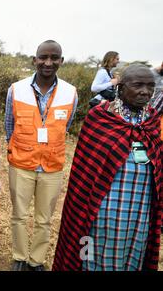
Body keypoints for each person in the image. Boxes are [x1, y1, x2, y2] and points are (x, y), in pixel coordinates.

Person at [53, 64, 163, 271]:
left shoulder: (153, 121)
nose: (145, 91)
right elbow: (84, 174)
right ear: (120, 88)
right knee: (92, 258)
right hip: (100, 212)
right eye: (138, 85)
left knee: (132, 259)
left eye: (150, 86)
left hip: (140, 212)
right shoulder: (100, 118)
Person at [5, 40, 78, 271]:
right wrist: (21, 148)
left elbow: (67, 124)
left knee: (44, 219)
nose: (48, 62)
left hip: (52, 166)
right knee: (19, 215)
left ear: (61, 61)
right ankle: (19, 256)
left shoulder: (70, 92)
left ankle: (36, 260)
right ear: (34, 60)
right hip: (21, 163)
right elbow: (9, 125)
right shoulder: (16, 89)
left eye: (54, 58)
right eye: (43, 57)